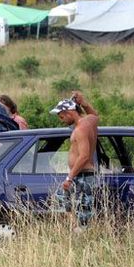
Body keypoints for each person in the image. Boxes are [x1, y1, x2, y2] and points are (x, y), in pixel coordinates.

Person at [50, 91, 99, 229]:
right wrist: (84, 103)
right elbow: (95, 116)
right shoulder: (88, 121)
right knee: (60, 198)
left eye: (62, 116)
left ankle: (81, 231)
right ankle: (75, 227)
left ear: (70, 112)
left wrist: (69, 178)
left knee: (83, 211)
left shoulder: (81, 129)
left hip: (84, 175)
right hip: (80, 175)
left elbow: (84, 155)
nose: (62, 120)